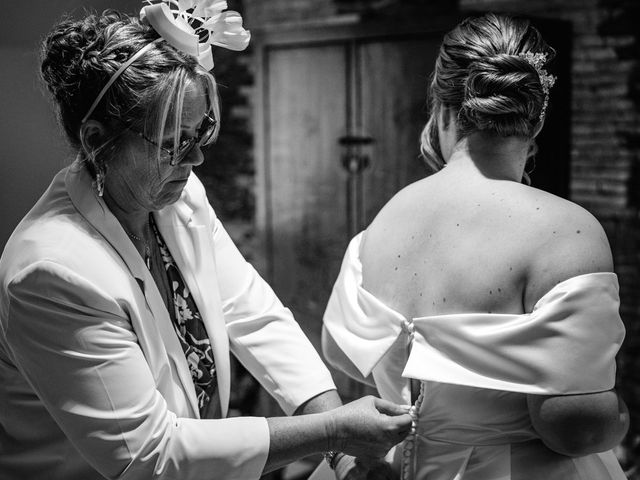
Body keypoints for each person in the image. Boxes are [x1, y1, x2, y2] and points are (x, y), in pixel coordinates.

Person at [0, 4, 412, 480]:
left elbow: (253, 315)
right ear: (97, 139)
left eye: (202, 133)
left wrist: (338, 447)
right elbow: (147, 456)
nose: (196, 158)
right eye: (174, 142)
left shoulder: (177, 199)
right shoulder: (52, 272)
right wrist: (333, 433)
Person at [321, 12, 630, 480]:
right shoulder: (567, 231)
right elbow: (575, 428)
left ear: (442, 108)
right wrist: (620, 417)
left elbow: (347, 359)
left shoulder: (381, 223)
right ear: (536, 117)